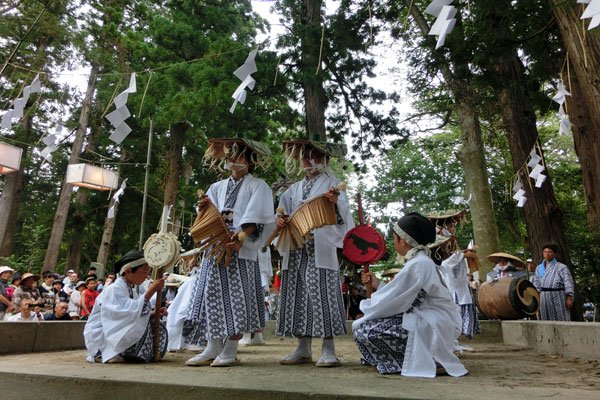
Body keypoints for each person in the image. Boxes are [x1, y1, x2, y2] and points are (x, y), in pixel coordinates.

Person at [168, 138, 275, 367]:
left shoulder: (259, 186)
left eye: (238, 155)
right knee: (211, 296)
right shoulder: (216, 187)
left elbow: (259, 217)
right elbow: (208, 218)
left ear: (250, 160)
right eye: (229, 155)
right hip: (214, 249)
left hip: (241, 250)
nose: (232, 160)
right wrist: (203, 210)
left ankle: (230, 349)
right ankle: (211, 346)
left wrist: (241, 239)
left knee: (236, 300)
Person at [353, 212, 467, 378]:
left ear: (403, 241)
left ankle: (429, 359)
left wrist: (369, 307)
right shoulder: (419, 262)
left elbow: (399, 301)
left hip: (431, 323)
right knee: (363, 325)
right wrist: (376, 284)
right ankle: (407, 358)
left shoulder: (419, 264)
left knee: (363, 328)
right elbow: (400, 294)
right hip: (431, 320)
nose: (394, 241)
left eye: (394, 237)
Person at [275, 139, 354, 368]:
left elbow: (343, 218)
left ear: (325, 159)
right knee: (298, 295)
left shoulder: (334, 184)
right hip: (297, 248)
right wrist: (279, 220)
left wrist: (336, 203)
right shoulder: (294, 189)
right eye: (305, 157)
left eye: (315, 157)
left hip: (320, 247)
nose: (309, 161)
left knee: (322, 296)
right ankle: (303, 348)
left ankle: (328, 349)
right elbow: (282, 211)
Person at [84, 250, 167, 363]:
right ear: (128, 271)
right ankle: (103, 353)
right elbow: (123, 314)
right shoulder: (114, 289)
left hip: (116, 328)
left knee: (157, 324)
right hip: (102, 332)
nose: (146, 276)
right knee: (142, 325)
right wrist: (151, 291)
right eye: (144, 272)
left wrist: (154, 313)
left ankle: (132, 353)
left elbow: (134, 310)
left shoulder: (133, 288)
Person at [532, 244, 575, 321]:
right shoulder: (539, 268)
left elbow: (568, 282)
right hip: (543, 298)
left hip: (558, 296)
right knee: (545, 320)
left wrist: (569, 298)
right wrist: (536, 298)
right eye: (545, 252)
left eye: (550, 252)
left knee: (561, 318)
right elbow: (536, 284)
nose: (547, 254)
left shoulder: (561, 267)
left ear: (554, 254)